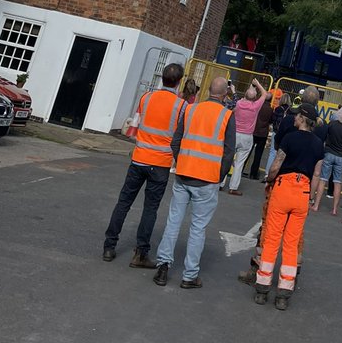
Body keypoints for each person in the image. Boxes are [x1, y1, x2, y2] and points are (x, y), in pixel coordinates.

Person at [152, 77, 235, 289]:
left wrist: (182, 161)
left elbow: (176, 141)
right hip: (207, 179)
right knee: (198, 228)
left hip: (184, 174)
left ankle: (163, 267)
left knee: (173, 222)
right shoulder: (227, 115)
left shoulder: (191, 109)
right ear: (225, 94)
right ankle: (189, 276)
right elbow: (228, 152)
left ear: (208, 91)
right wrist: (219, 176)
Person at [102, 62, 186, 267]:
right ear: (179, 81)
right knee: (150, 209)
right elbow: (180, 135)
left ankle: (109, 246)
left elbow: (137, 123)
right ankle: (140, 254)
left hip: (139, 158)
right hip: (161, 163)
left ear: (162, 78)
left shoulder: (146, 98)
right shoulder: (182, 106)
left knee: (124, 202)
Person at [238, 85, 321, 285]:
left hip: (281, 182)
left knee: (268, 228)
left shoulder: (289, 121)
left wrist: (270, 179)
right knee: (295, 235)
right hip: (303, 187)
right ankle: (291, 274)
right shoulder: (320, 129)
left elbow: (278, 147)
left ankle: (258, 269)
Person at [255, 101, 324, 310]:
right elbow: (317, 174)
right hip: (302, 192)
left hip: (283, 189)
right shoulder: (318, 144)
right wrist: (310, 197)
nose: (294, 117)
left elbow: (277, 164)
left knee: (272, 238)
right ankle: (284, 292)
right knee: (292, 243)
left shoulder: (289, 138)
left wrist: (269, 179)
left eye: (296, 115)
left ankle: (262, 287)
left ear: (302, 118)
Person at [226, 77, 268, 195]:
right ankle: (233, 187)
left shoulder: (239, 104)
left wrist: (234, 91)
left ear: (244, 95)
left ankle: (220, 183)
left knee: (227, 159)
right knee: (239, 163)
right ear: (255, 98)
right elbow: (265, 94)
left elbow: (234, 102)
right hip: (247, 136)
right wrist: (257, 84)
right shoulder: (255, 106)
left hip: (234, 134)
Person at [313, 104, 342, 215]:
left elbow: (326, 136)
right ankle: (335, 209)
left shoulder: (332, 124)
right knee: (337, 182)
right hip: (340, 156)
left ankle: (316, 205)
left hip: (329, 153)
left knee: (323, 179)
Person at [248, 90, 274, 181]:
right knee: (258, 155)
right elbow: (271, 121)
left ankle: (241, 169)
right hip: (263, 133)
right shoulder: (270, 109)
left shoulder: (257, 106)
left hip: (254, 130)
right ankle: (253, 173)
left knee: (247, 151)